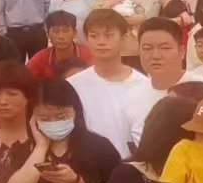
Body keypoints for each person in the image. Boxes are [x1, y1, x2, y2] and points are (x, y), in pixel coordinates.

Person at [67, 9, 157, 158]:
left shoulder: (144, 86)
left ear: (124, 37)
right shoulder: (72, 85)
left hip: (128, 165)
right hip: (82, 165)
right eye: (94, 36)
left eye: (109, 35)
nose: (101, 42)